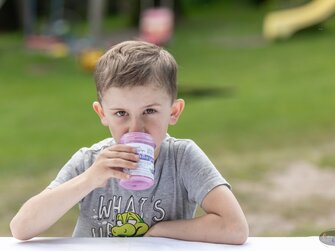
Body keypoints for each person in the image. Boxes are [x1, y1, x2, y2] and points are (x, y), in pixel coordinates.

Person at [10, 40, 248, 244]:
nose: (136, 128)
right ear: (102, 114)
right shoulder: (90, 161)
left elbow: (235, 228)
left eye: (150, 111)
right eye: (121, 113)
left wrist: (160, 232)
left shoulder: (182, 158)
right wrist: (89, 179)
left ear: (174, 111)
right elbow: (21, 228)